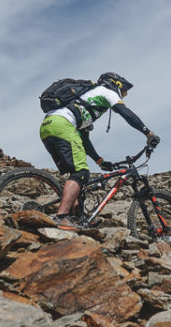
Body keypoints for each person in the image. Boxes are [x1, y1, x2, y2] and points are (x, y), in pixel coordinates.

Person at [39, 71, 160, 227]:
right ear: (115, 84)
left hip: (48, 126)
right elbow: (125, 112)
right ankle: (62, 216)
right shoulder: (106, 92)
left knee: (75, 174)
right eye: (123, 91)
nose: (122, 95)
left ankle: (77, 216)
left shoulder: (86, 99)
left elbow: (84, 139)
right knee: (81, 173)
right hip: (63, 125)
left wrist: (99, 160)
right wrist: (148, 133)